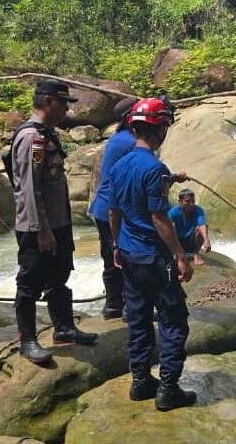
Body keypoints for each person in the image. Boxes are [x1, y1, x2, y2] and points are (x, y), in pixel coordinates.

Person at [108, 97, 197, 411]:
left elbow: (114, 211)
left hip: (129, 254)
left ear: (134, 128)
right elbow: (159, 218)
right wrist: (181, 256)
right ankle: (168, 388)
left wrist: (116, 245)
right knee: (174, 321)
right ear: (161, 130)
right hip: (154, 258)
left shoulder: (119, 165)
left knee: (139, 318)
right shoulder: (155, 168)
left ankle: (141, 381)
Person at [9, 80, 98, 364]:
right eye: (63, 104)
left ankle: (64, 328)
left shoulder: (47, 135)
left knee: (60, 275)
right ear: (48, 101)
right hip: (37, 227)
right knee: (30, 282)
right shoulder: (32, 139)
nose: (66, 110)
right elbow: (29, 187)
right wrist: (42, 229)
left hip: (58, 223)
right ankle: (27, 340)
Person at [88, 97, 137, 319]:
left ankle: (113, 305)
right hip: (116, 209)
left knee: (111, 258)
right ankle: (129, 307)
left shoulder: (118, 138)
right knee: (126, 257)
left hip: (102, 207)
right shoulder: (131, 142)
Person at [168, 188, 211, 266]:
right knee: (170, 226)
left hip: (191, 242)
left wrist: (206, 240)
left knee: (202, 228)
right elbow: (165, 227)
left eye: (193, 201)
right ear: (180, 202)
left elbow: (202, 225)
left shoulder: (198, 210)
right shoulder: (173, 212)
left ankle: (196, 254)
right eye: (187, 201)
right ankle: (176, 253)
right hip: (177, 242)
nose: (191, 204)